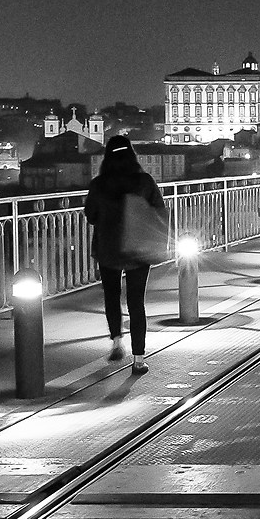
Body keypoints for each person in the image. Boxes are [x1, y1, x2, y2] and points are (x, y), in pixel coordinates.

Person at [84, 136, 168, 370]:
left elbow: (90, 215)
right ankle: (139, 359)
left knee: (112, 296)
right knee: (136, 302)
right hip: (139, 247)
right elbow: (159, 210)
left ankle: (116, 343)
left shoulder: (99, 184)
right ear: (132, 155)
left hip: (108, 248)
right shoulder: (144, 181)